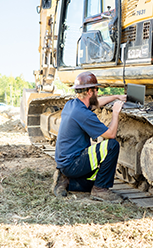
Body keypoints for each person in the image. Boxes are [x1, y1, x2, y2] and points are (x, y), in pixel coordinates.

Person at [52, 71, 126, 202]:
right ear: (90, 92)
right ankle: (100, 190)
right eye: (97, 90)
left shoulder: (72, 105)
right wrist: (115, 113)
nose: (98, 93)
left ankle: (66, 179)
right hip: (73, 163)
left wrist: (116, 97)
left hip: (64, 162)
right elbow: (111, 134)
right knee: (112, 146)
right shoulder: (84, 114)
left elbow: (96, 103)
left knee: (90, 183)